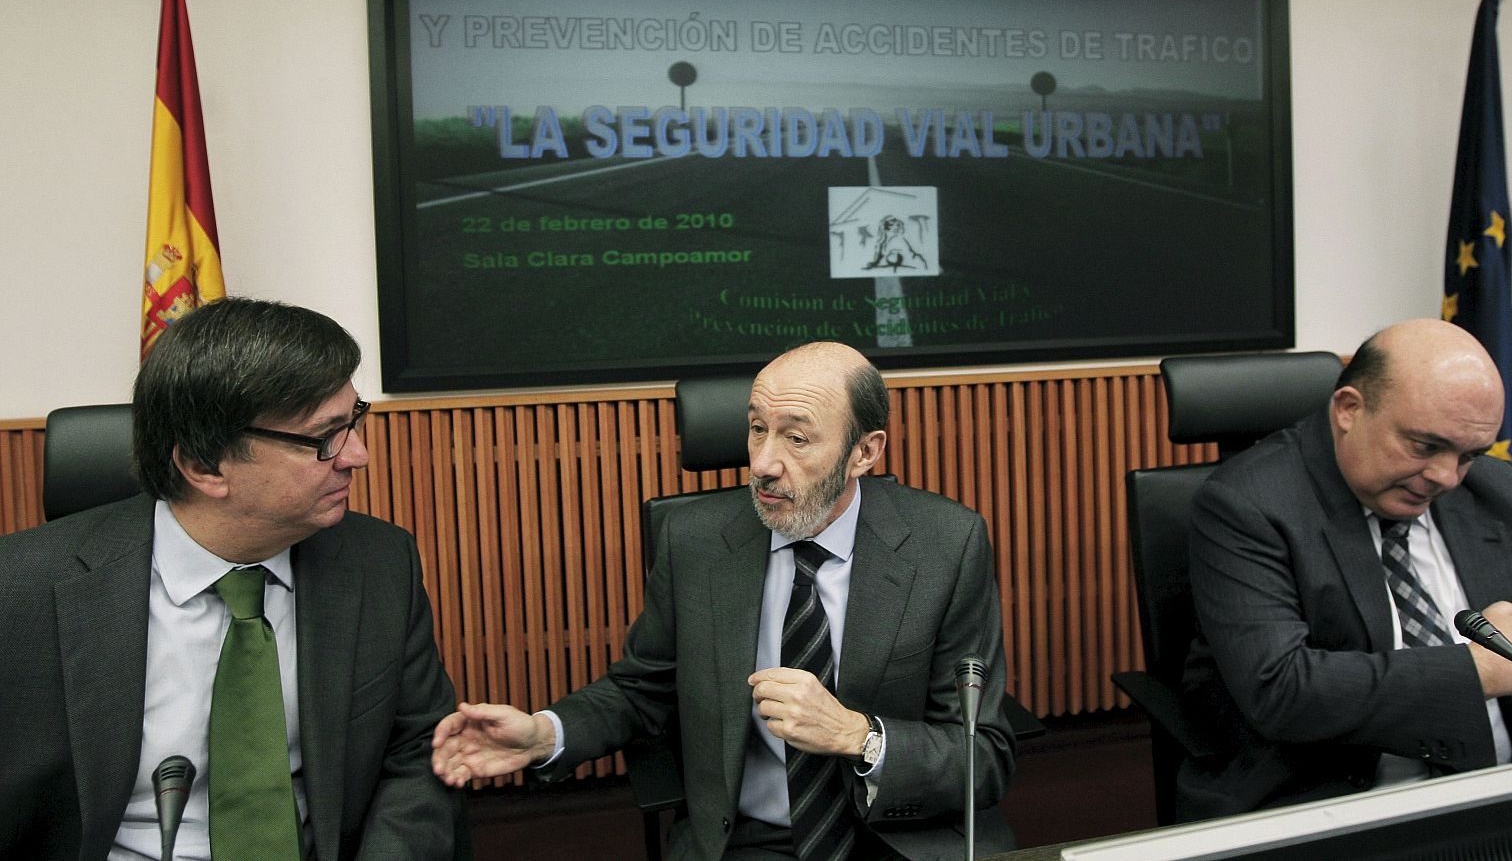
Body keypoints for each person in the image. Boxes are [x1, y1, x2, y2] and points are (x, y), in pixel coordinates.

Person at [432, 341, 1016, 859]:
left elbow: (981, 755)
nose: (762, 463)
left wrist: (856, 735)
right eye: (757, 428)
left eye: (796, 437)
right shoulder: (696, 542)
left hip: (893, 835)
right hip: (747, 839)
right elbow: (640, 690)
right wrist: (544, 734)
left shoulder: (946, 546)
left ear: (864, 452)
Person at [0, 297, 467, 859]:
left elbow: (418, 750)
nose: (358, 456)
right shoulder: (20, 591)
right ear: (205, 467)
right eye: (325, 438)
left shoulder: (378, 561)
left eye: (354, 421)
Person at [1178, 318, 1512, 819]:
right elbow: (1281, 689)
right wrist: (1484, 669)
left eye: (1469, 455)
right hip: (1333, 807)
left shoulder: (1502, 493)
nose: (1446, 476)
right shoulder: (1248, 504)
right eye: (1425, 446)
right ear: (1349, 410)